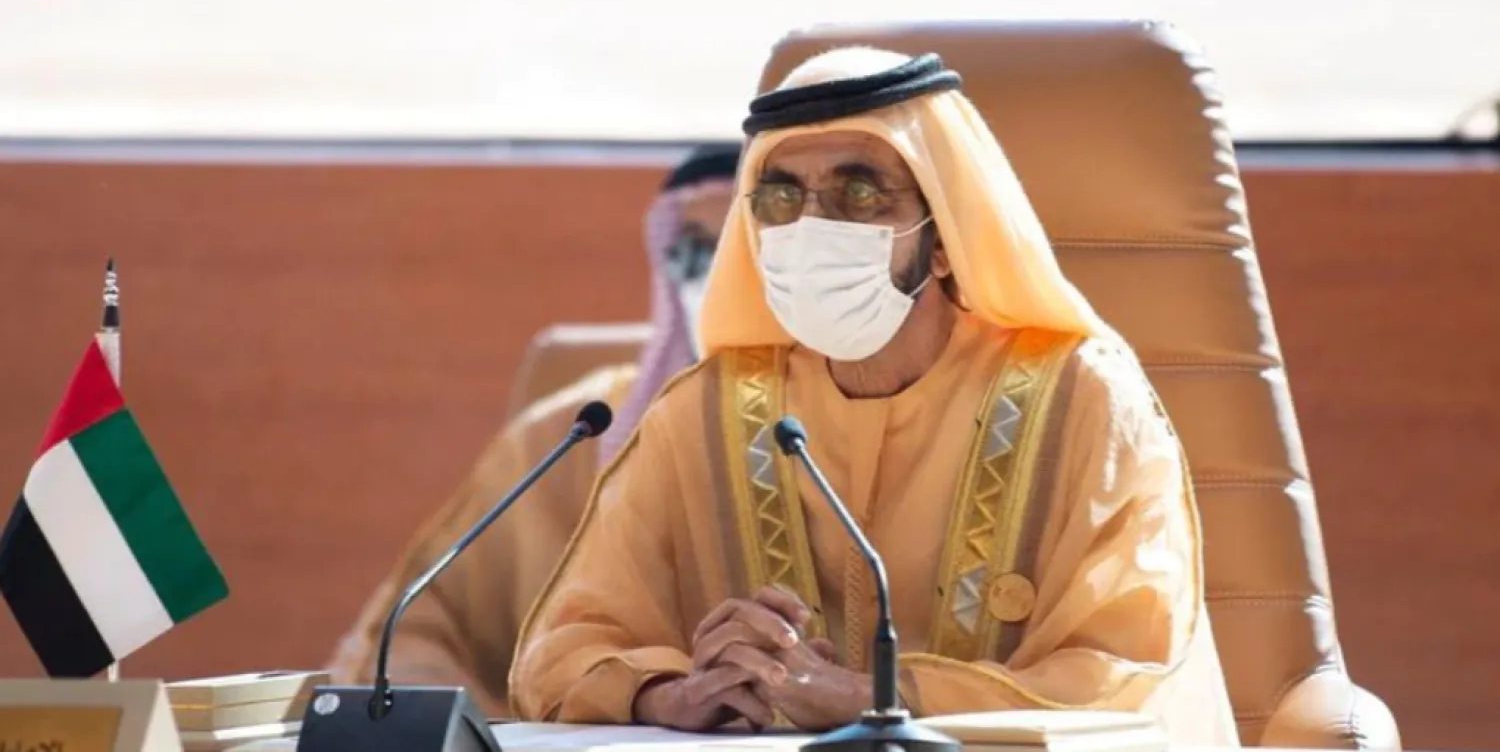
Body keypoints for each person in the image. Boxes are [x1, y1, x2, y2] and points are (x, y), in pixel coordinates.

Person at [509, 48, 1238, 746]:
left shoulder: (1083, 400)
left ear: (946, 235)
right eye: (781, 195)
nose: (813, 225)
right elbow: (559, 653)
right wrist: (670, 693)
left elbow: (1123, 677)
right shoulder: (705, 413)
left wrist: (875, 698)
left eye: (860, 193)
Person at [325, 143, 742, 716]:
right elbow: (417, 635)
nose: (712, 276)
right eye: (695, 251)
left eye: (736, 248)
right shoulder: (573, 432)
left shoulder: (851, 426)